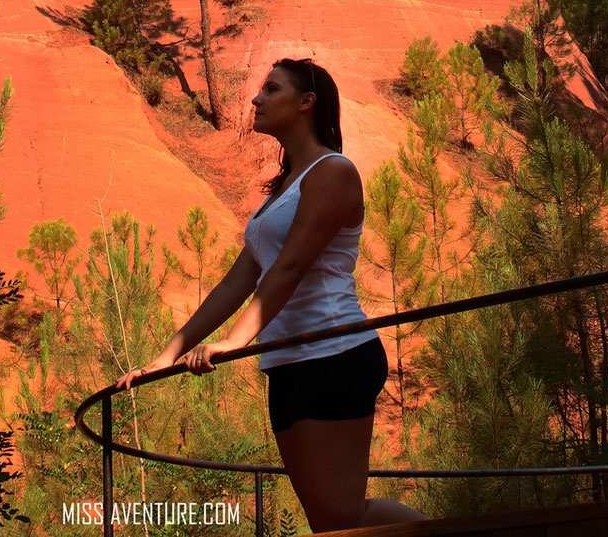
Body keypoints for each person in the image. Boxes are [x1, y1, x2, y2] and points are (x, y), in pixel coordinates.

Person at [115, 57, 427, 532]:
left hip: (334, 353)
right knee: (329, 521)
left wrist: (233, 342)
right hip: (288, 364)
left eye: (272, 89)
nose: (256, 99)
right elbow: (236, 283)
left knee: (344, 515)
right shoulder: (282, 192)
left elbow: (291, 268)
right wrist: (167, 355)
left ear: (307, 103)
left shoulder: (333, 172)